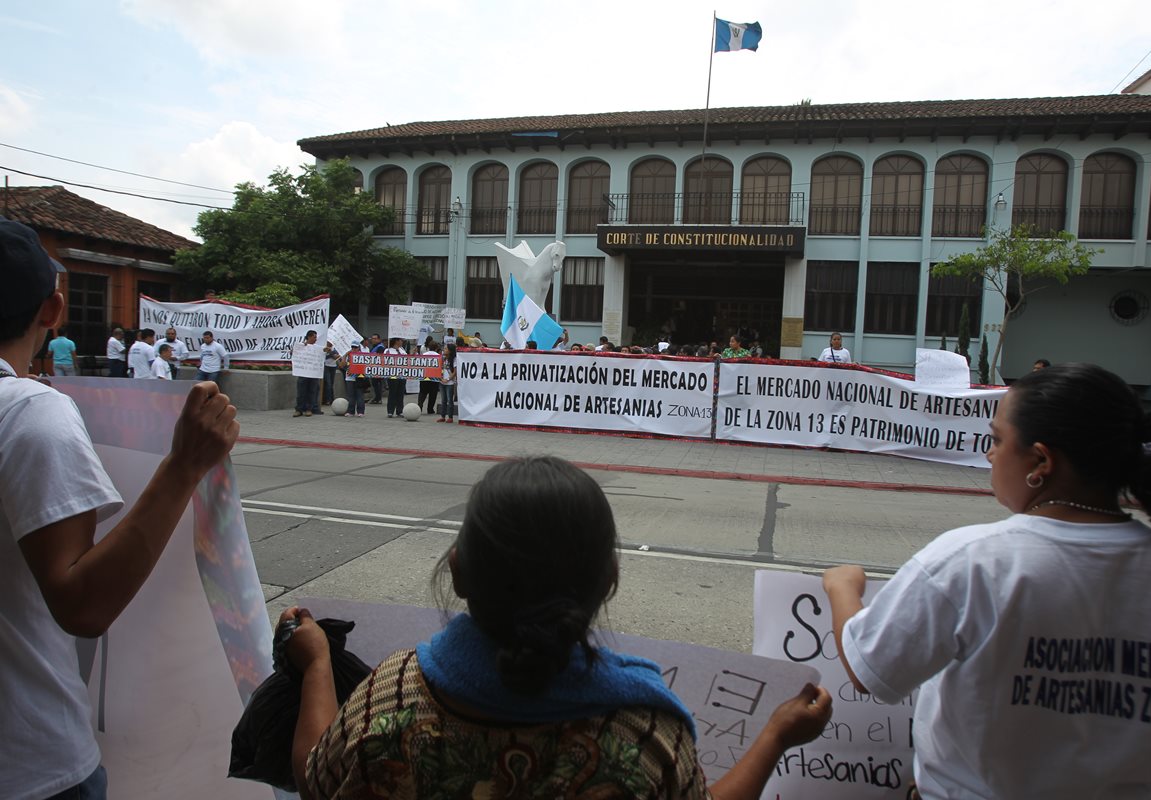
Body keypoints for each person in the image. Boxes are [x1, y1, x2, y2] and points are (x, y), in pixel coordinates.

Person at [279, 456, 833, 800]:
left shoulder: (389, 698)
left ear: (458, 572)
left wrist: (319, 666)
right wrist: (776, 737)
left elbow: (315, 779)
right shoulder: (645, 737)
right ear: (610, 580)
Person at [822, 362, 1151, 799]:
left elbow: (870, 668)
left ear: (1040, 461)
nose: (989, 455)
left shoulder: (973, 562)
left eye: (998, 440)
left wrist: (842, 587)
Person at [0, 216, 240, 800]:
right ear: (53, 310)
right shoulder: (28, 413)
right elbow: (82, 604)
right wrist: (184, 465)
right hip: (31, 767)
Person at [293, 330, 321, 417]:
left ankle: (309, 409)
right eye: (314, 337)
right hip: (303, 373)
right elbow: (294, 353)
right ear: (309, 337)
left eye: (316, 337)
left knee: (312, 392)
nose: (316, 339)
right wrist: (295, 350)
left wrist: (326, 350)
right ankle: (299, 410)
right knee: (301, 392)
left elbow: (324, 353)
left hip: (313, 373)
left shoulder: (317, 348)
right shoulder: (301, 346)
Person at [338, 340, 370, 417]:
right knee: (351, 396)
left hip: (359, 378)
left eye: (355, 347)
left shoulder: (362, 356)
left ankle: (360, 411)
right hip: (349, 378)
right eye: (352, 347)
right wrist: (345, 355)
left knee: (359, 395)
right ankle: (350, 411)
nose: (354, 349)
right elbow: (341, 365)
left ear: (359, 348)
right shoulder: (348, 355)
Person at [384, 337, 405, 419]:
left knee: (401, 393)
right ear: (396, 341)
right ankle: (390, 411)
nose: (402, 342)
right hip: (392, 375)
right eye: (400, 340)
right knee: (392, 393)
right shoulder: (388, 351)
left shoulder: (402, 350)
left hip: (402, 375)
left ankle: (400, 411)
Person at [418, 341, 440, 416]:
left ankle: (419, 407)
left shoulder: (424, 355)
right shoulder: (438, 356)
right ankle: (430, 409)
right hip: (434, 378)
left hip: (424, 377)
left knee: (422, 393)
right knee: (433, 394)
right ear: (436, 348)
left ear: (428, 347)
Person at [438, 343, 457, 423]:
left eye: (446, 349)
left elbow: (455, 372)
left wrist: (448, 379)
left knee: (450, 400)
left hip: (450, 383)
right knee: (443, 400)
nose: (444, 350)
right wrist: (441, 378)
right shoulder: (442, 358)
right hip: (442, 381)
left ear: (450, 351)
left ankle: (450, 417)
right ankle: (442, 416)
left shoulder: (454, 359)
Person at [368, 334, 385, 404]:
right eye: (372, 338)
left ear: (379, 339)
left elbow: (380, 358)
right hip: (373, 368)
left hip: (378, 369)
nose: (373, 340)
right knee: (375, 384)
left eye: (375, 339)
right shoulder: (374, 347)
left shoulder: (380, 347)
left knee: (377, 384)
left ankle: (377, 398)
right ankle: (377, 398)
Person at [322, 341, 339, 406]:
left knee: (331, 383)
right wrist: (330, 353)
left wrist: (331, 352)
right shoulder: (324, 347)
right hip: (326, 366)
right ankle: (327, 399)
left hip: (333, 366)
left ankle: (331, 399)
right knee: (328, 383)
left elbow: (337, 356)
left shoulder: (334, 348)